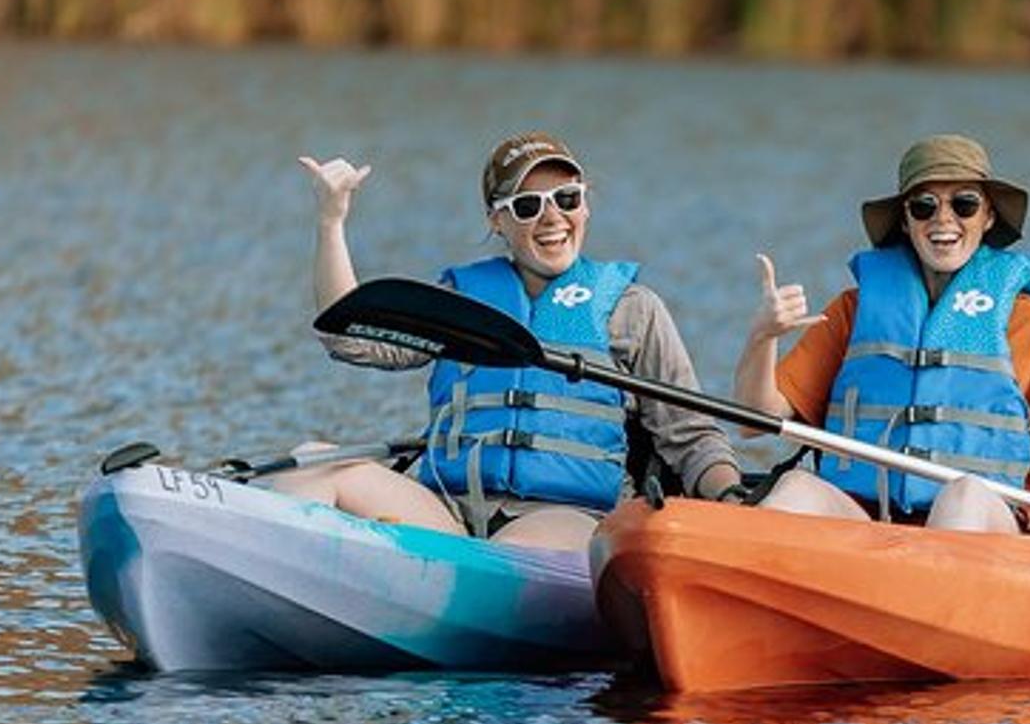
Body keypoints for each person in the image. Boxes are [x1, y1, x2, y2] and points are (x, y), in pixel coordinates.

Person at [271, 132, 746, 550]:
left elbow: (693, 437)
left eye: (567, 198)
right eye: (527, 205)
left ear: (586, 205)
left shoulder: (632, 310)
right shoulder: (462, 300)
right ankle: (277, 594)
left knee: (510, 550)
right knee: (311, 463)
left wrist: (734, 499)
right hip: (448, 515)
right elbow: (347, 337)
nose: (552, 217)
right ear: (497, 221)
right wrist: (331, 222)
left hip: (567, 519)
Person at [736, 134, 1030, 534]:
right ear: (905, 221)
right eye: (924, 207)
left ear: (988, 216)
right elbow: (754, 423)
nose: (943, 220)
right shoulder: (855, 311)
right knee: (795, 488)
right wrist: (762, 336)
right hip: (867, 520)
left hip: (983, 523)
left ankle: (935, 588)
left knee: (963, 496)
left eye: (964, 204)